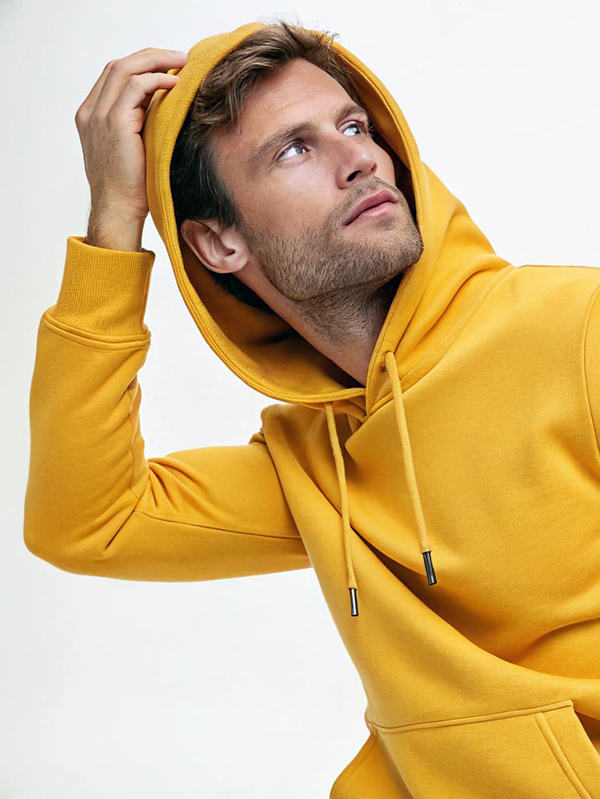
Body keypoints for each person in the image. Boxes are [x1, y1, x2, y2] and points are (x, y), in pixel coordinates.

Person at [23, 18, 600, 798]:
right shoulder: (312, 461)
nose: (360, 159)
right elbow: (87, 522)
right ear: (218, 244)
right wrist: (113, 228)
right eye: (293, 149)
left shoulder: (578, 329)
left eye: (354, 126)